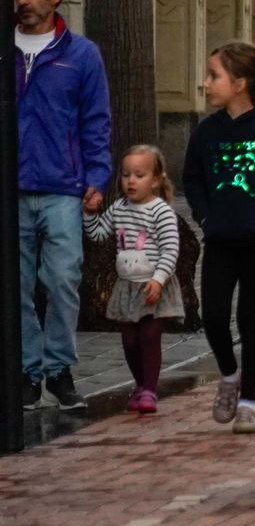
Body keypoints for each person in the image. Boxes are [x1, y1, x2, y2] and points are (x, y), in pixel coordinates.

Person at [15, 0, 111, 413]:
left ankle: (59, 368)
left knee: (63, 278)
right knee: (13, 285)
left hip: (62, 188)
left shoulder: (81, 54)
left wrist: (97, 177)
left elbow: (96, 122)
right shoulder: (5, 50)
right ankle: (28, 372)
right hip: (11, 189)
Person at [184, 41, 255, 433]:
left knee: (252, 322)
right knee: (215, 317)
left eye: (214, 75)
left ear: (240, 83)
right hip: (220, 241)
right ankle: (228, 373)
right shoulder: (208, 130)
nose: (206, 83)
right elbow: (192, 178)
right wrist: (207, 218)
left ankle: (248, 401)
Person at [83, 146, 183, 415]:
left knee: (149, 336)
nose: (131, 180)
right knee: (129, 340)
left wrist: (159, 279)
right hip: (126, 285)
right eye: (126, 174)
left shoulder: (160, 211)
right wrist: (90, 213)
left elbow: (170, 248)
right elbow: (98, 234)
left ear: (155, 180)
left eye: (139, 175)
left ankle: (149, 389)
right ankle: (139, 384)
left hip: (152, 285)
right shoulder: (119, 208)